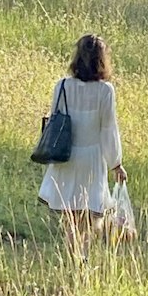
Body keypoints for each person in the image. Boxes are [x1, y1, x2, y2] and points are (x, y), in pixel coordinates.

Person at [38, 33, 127, 259]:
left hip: (66, 156)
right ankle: (83, 256)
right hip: (93, 158)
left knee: (71, 214)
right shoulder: (105, 91)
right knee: (90, 214)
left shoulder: (63, 86)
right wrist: (116, 163)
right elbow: (108, 130)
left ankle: (74, 256)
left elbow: (56, 117)